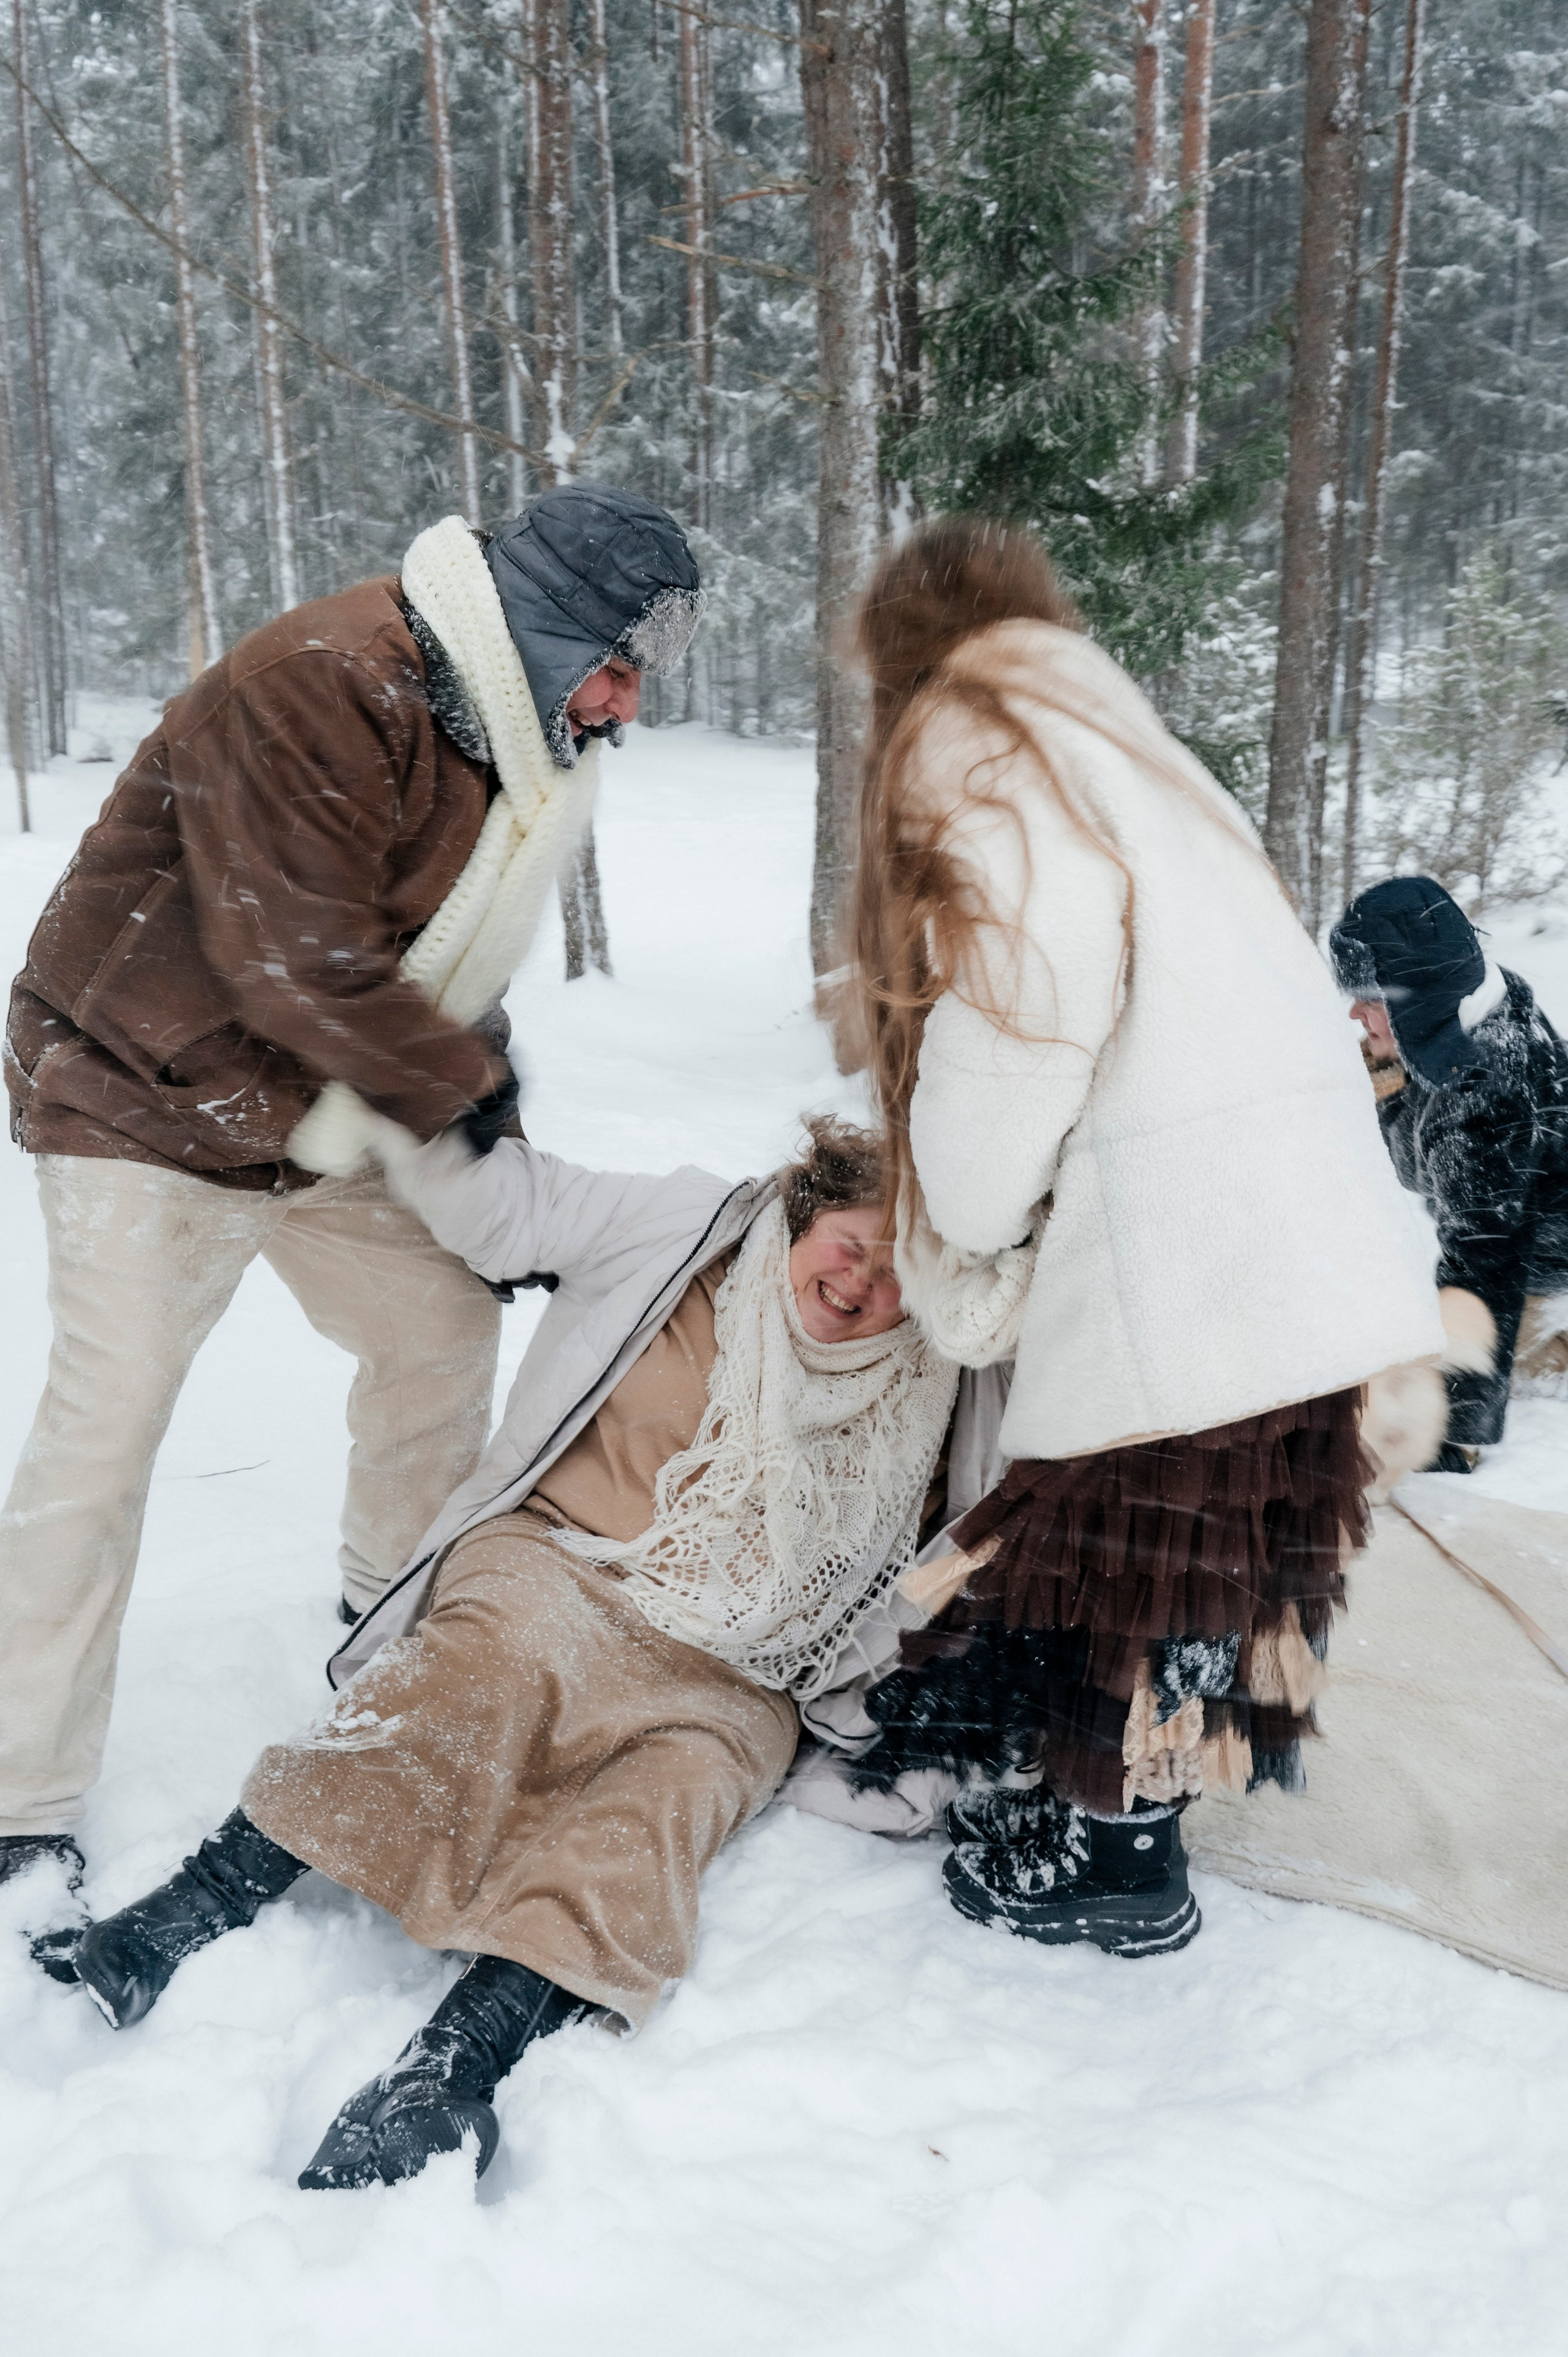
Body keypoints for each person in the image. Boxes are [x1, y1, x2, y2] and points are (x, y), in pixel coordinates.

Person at [0, 483, 706, 1891]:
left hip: (326, 1108)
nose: (625, 703)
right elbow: (298, 958)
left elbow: (444, 957)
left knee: (435, 1337)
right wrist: (455, 1095)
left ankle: (385, 1630)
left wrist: (480, 1119)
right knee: (107, 1422)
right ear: (544, 630)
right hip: (144, 1095)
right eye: (614, 660)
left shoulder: (516, 724)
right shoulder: (322, 681)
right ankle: (21, 1788)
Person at [48, 1118, 958, 2193]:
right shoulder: (685, 1229)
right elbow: (505, 1206)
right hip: (562, 1562)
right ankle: (189, 1905)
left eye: (902, 1275)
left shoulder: (941, 1389)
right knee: (474, 1676)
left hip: (739, 1669)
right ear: (810, 1211)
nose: (862, 1282)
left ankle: (448, 2070)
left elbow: (960, 1559)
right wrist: (437, 1092)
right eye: (854, 1240)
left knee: (666, 1800)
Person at [830, 516, 1444, 1959]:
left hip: (1189, 1231)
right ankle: (1130, 1818)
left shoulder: (975, 750)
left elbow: (1021, 996)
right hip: (1299, 1213)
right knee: (1208, 1548)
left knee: (1136, 1541)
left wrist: (963, 1214)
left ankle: (1113, 1854)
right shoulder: (1121, 741)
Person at [1330, 875, 1568, 1466]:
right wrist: (1390, 1076)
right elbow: (1426, 1167)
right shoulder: (1479, 1000)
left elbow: (1487, 1259)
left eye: (1372, 996)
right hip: (1530, 1228)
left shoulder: (1488, 1091)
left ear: (1420, 995)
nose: (1356, 1013)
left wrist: (1450, 1427)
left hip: (1543, 1262)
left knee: (1421, 1367)